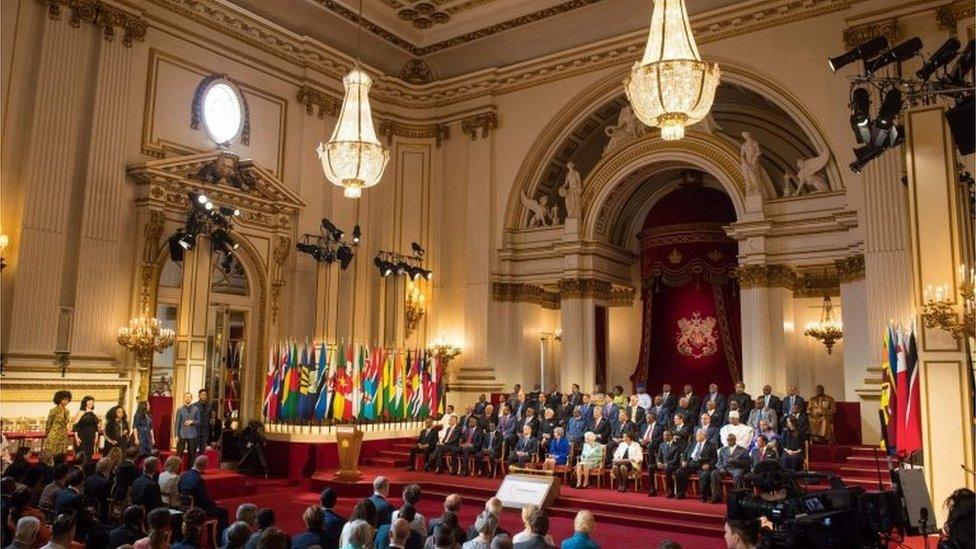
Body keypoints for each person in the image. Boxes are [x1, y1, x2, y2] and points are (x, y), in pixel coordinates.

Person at [177, 455, 229, 533]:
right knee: (224, 512)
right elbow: (203, 499)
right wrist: (214, 503)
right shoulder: (198, 480)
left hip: (183, 506)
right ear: (204, 465)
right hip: (197, 508)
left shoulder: (183, 475)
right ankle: (218, 538)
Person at [674, 429, 717, 500]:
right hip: (690, 464)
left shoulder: (711, 445)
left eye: (698, 434)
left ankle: (703, 495)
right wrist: (684, 461)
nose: (696, 436)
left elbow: (714, 458)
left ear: (704, 435)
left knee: (704, 475)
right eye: (696, 434)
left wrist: (709, 465)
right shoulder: (693, 443)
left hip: (702, 465)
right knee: (679, 472)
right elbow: (685, 453)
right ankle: (681, 493)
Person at [710, 434, 750, 503]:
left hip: (736, 468)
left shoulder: (742, 450)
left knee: (738, 475)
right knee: (714, 473)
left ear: (735, 440)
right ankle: (716, 496)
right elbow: (719, 462)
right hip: (725, 468)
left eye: (731, 440)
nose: (729, 441)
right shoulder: (723, 450)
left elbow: (746, 464)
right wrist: (721, 468)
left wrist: (736, 461)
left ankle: (738, 498)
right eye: (728, 440)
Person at [43, 391, 72, 456]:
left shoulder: (67, 411)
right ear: (59, 399)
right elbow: (49, 423)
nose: (66, 401)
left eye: (67, 400)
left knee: (62, 455)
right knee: (53, 454)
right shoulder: (54, 410)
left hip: (63, 435)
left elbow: (66, 423)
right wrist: (47, 434)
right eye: (64, 399)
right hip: (54, 435)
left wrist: (67, 430)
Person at [655, 430, 682, 498]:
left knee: (668, 469)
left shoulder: (677, 446)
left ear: (671, 436)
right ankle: (653, 489)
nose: (664, 437)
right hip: (663, 464)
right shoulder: (662, 444)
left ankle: (671, 491)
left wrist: (666, 464)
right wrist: (659, 462)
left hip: (673, 465)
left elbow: (676, 460)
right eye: (663, 435)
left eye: (666, 435)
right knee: (650, 467)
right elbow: (659, 456)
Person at [175, 393, 200, 459]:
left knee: (192, 454)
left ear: (191, 399)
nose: (188, 398)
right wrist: (176, 435)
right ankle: (177, 469)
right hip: (182, 434)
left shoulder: (196, 409)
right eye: (186, 397)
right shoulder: (180, 410)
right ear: (183, 399)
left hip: (192, 435)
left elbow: (199, 421)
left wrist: (192, 422)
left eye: (189, 397)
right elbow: (177, 423)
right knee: (179, 454)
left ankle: (190, 469)